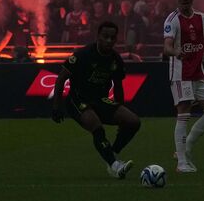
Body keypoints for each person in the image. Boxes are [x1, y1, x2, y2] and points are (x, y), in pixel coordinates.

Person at [51, 21, 141, 179]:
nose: (109, 41)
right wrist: (57, 106)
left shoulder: (115, 59)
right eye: (105, 37)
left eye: (112, 38)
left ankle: (111, 154)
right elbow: (61, 79)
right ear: (98, 36)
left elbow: (118, 86)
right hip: (78, 99)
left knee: (133, 122)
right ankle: (114, 165)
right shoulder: (83, 55)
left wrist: (120, 108)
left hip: (100, 100)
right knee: (97, 127)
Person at [163, 0, 204, 173]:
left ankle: (185, 147)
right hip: (180, 73)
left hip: (198, 71)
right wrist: (176, 52)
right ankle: (181, 163)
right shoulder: (172, 20)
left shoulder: (202, 18)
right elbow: (167, 48)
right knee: (183, 115)